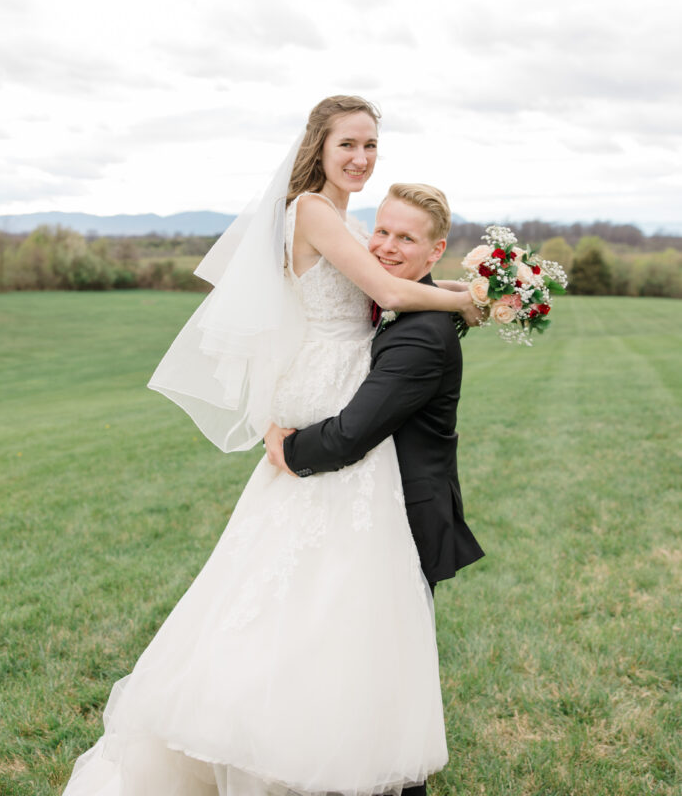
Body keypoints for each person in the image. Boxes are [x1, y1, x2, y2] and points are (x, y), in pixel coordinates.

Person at [62, 96, 482, 796]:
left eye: (372, 146)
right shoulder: (316, 211)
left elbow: (374, 292)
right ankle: (293, 738)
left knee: (320, 582)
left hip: (339, 387)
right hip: (334, 398)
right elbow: (383, 287)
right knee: (314, 578)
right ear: (318, 145)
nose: (361, 158)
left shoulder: (337, 217)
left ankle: (326, 723)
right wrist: (474, 299)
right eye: (348, 143)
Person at [265, 182, 485, 796]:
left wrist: (285, 448)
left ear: (435, 248)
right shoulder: (415, 310)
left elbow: (346, 437)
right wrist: (463, 294)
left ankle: (381, 776)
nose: (386, 247)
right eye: (380, 232)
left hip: (404, 515)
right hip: (384, 504)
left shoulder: (419, 336)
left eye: (405, 238)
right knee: (361, 652)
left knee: (381, 663)